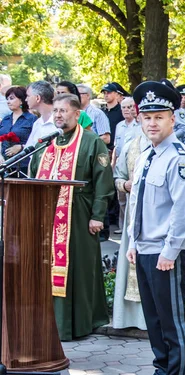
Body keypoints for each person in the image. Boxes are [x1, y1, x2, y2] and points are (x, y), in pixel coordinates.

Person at [127, 80, 185, 375]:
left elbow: (184, 212)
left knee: (172, 320)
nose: (152, 123)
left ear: (173, 118)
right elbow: (137, 204)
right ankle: (161, 372)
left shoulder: (181, 158)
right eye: (147, 118)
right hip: (144, 248)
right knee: (153, 319)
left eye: (159, 117)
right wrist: (131, 240)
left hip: (164, 252)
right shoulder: (146, 156)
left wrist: (171, 252)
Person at [29, 93, 114, 341]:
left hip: (78, 216)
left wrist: (97, 215)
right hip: (45, 218)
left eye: (63, 111)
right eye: (55, 110)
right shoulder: (45, 143)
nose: (58, 115)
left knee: (78, 269)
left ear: (77, 114)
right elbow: (33, 176)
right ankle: (47, 322)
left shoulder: (91, 141)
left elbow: (103, 181)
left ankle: (75, 324)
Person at [112, 128, 150, 331]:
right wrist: (124, 184)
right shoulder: (130, 145)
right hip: (134, 212)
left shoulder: (175, 149)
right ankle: (128, 318)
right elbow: (117, 177)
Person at [113, 97, 140, 234]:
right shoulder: (119, 126)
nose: (127, 110)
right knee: (121, 199)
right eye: (124, 107)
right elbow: (116, 147)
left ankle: (131, 227)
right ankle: (122, 227)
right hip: (120, 165)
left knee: (132, 200)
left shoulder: (139, 125)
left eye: (130, 107)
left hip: (134, 166)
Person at [0, 86, 36, 175]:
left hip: (23, 164)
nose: (8, 102)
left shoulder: (32, 119)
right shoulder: (5, 119)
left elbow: (37, 142)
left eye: (11, 98)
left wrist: (21, 147)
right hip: (4, 164)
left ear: (21, 100)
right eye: (7, 99)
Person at [24, 81, 58, 148]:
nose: (26, 99)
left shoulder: (60, 121)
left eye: (28, 96)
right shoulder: (37, 123)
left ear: (37, 98)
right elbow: (29, 149)